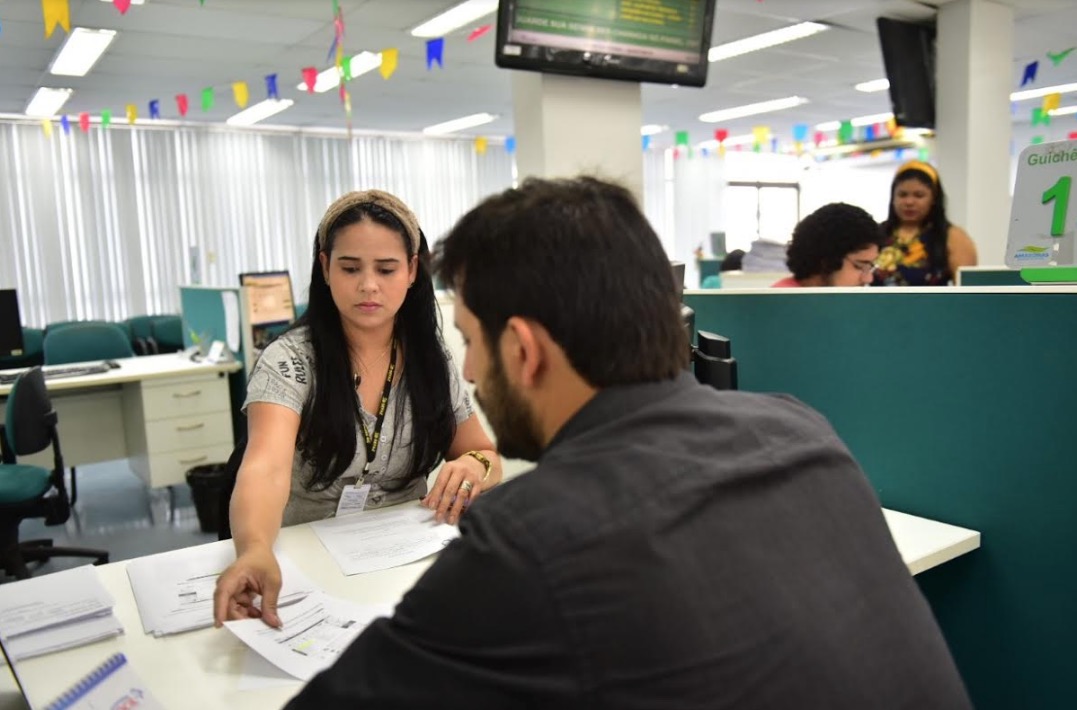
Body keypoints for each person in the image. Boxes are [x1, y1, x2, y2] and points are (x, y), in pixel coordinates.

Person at [285, 177, 971, 709]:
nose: (466, 370)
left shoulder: (534, 536)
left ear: (522, 349)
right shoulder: (800, 430)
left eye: (469, 339)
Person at [213, 189, 501, 628]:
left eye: (386, 269)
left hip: (405, 564)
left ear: (411, 272)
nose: (369, 285)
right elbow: (265, 469)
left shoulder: (430, 362)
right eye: (350, 268)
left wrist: (475, 466)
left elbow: (484, 453)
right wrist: (254, 550)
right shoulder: (290, 361)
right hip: (305, 566)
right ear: (326, 268)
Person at [875, 160, 977, 285]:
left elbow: (967, 290)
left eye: (919, 195)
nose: (909, 202)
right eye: (902, 195)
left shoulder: (953, 236)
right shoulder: (876, 234)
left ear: (934, 198)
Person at [772, 202, 883, 287]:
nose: (868, 279)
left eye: (870, 268)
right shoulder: (779, 306)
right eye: (860, 266)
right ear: (826, 261)